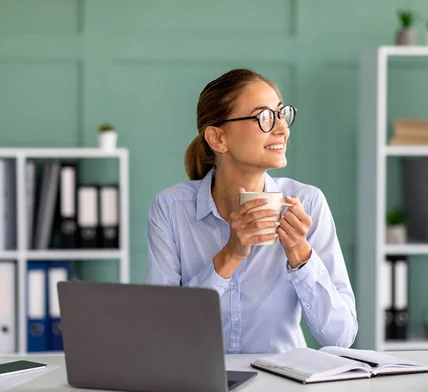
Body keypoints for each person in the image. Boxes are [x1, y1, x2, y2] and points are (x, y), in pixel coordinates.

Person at [144, 68, 357, 354]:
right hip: (200, 381)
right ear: (218, 139)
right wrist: (230, 254)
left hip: (282, 382)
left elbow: (341, 336)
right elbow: (160, 332)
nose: (282, 129)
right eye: (265, 118)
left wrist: (300, 256)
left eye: (281, 114)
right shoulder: (171, 209)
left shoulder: (308, 202)